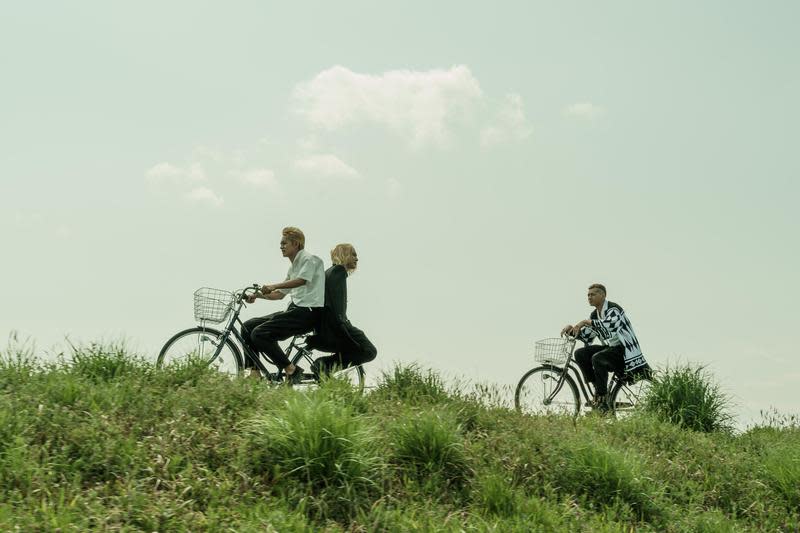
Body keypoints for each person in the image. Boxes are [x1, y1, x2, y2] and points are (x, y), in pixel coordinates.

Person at [240, 226, 325, 383]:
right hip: (294, 311)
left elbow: (302, 280)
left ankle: (291, 370)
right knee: (247, 326)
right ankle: (254, 372)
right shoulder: (293, 268)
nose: (281, 246)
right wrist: (257, 295)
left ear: (296, 244)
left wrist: (273, 285)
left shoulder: (309, 259)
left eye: (284, 243)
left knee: (259, 333)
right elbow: (279, 295)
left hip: (307, 313)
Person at [560, 283, 650, 410]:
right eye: (588, 295)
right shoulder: (595, 315)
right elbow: (587, 336)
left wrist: (585, 322)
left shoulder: (613, 309)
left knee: (598, 358)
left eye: (593, 294)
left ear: (603, 295)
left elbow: (610, 325)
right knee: (580, 353)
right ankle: (598, 389)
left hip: (624, 350)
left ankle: (602, 397)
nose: (589, 297)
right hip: (611, 349)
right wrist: (571, 330)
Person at [306, 243, 377, 377]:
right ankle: (324, 364)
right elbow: (336, 309)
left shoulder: (328, 272)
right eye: (353, 254)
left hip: (325, 327)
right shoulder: (339, 272)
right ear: (344, 255)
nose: (357, 259)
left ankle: (325, 366)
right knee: (369, 351)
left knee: (360, 349)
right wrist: (345, 332)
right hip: (335, 327)